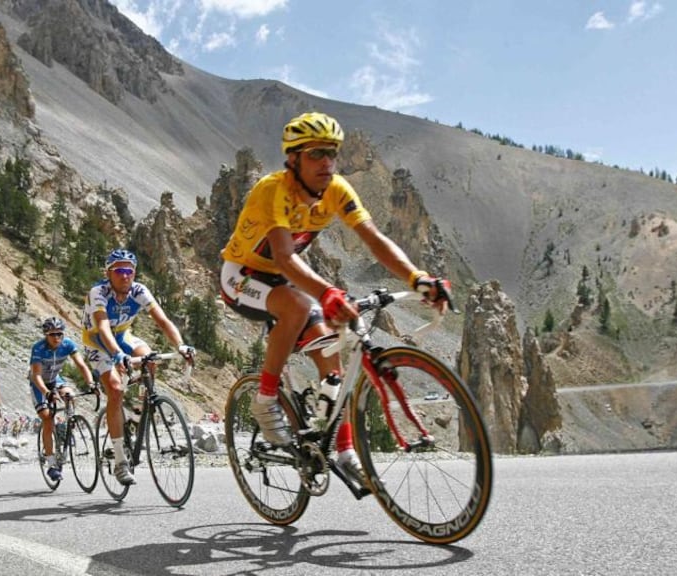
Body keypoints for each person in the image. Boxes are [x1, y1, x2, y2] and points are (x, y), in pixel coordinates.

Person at [219, 111, 450, 484]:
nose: (327, 162)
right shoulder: (272, 189)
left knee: (331, 360)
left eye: (332, 153)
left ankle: (344, 452)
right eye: (315, 154)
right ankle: (264, 400)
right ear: (292, 159)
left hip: (283, 279)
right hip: (241, 276)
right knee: (297, 305)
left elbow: (374, 239)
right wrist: (326, 292)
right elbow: (283, 255)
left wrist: (417, 277)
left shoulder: (338, 189)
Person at [82, 248, 196, 485]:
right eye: (120, 271)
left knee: (150, 360)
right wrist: (117, 355)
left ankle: (135, 416)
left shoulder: (138, 290)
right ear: (108, 273)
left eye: (130, 271)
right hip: (97, 342)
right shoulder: (99, 292)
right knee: (114, 388)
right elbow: (102, 328)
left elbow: (163, 321)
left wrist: (181, 346)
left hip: (123, 335)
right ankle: (120, 461)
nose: (126, 276)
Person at [30, 316, 96, 481]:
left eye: (60, 334)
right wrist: (46, 393)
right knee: (46, 418)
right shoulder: (38, 348)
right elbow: (36, 375)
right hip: (39, 384)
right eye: (53, 334)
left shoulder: (68, 345)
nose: (57, 337)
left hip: (55, 379)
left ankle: (65, 428)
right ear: (46, 335)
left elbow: (81, 365)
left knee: (70, 395)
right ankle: (51, 463)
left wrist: (91, 383)